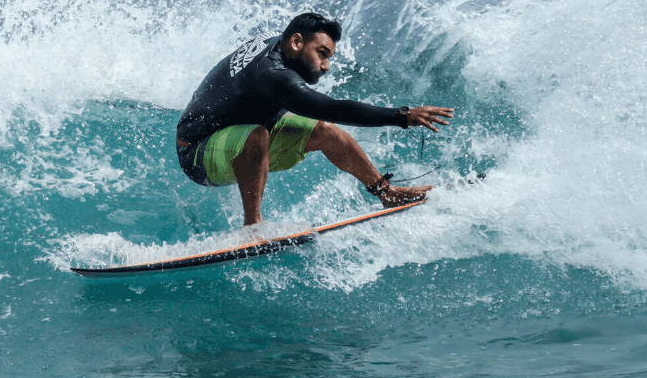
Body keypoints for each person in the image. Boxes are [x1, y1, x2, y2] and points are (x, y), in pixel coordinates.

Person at [175, 12, 454, 226]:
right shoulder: (273, 74)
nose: (326, 66)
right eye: (322, 54)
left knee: (327, 132)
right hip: (198, 152)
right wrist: (402, 116)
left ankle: (386, 193)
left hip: (235, 132)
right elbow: (333, 108)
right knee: (257, 135)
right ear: (296, 42)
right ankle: (253, 227)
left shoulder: (279, 48)